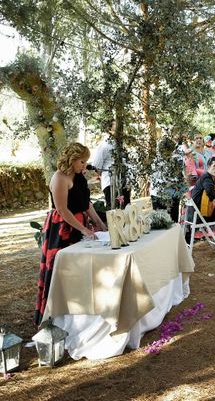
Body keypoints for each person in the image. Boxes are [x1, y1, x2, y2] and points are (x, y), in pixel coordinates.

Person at [35, 142, 107, 325]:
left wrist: (99, 223)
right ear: (72, 160)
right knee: (61, 269)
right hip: (63, 228)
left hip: (80, 223)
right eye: (82, 162)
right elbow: (61, 209)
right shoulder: (60, 178)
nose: (85, 166)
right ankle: (55, 316)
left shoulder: (79, 176)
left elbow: (86, 203)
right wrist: (82, 229)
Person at [92, 120, 130, 208]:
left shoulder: (122, 145)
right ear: (109, 129)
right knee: (113, 211)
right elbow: (96, 166)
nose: (121, 130)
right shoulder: (104, 146)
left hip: (124, 183)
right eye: (117, 126)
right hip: (110, 184)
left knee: (127, 209)